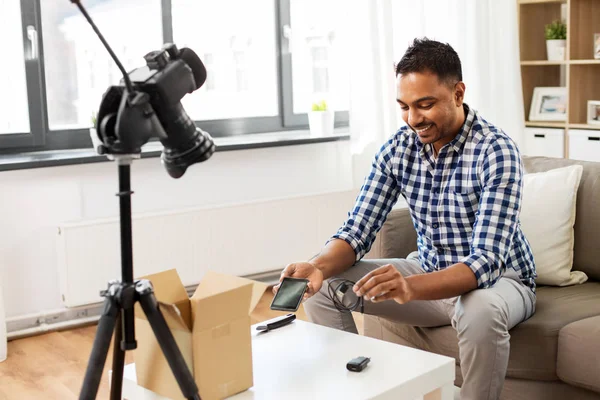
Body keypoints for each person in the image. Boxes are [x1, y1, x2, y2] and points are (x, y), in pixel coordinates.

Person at [274, 38, 536, 400]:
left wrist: (411, 287)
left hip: (499, 283)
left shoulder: (495, 151)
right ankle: (358, 390)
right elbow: (356, 230)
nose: (413, 119)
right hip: (428, 272)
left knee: (478, 310)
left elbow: (485, 263)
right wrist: (318, 266)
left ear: (458, 93)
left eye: (425, 105)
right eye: (405, 107)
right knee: (323, 287)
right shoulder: (399, 148)